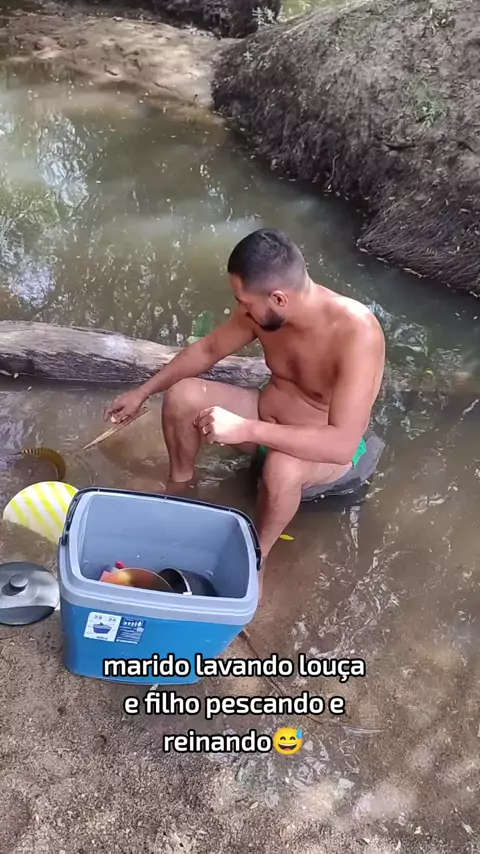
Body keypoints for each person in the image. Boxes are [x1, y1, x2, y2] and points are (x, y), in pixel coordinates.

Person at [105, 229, 386, 591]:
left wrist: (244, 429)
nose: (241, 310)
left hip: (321, 453)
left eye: (245, 302)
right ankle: (180, 492)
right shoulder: (265, 311)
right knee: (184, 396)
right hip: (266, 417)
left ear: (279, 298)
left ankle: (256, 556)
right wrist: (143, 392)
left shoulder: (357, 334)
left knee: (282, 466)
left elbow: (341, 444)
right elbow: (207, 351)